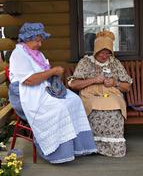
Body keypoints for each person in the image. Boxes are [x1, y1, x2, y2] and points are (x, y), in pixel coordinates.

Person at [9, 22, 97, 164]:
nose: (40, 44)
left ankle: (76, 147)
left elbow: (42, 75)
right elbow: (29, 80)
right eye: (37, 40)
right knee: (59, 108)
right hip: (26, 94)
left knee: (74, 100)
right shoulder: (18, 55)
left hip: (43, 88)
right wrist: (52, 71)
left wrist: (53, 75)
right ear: (27, 38)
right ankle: (58, 152)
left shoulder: (37, 54)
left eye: (41, 40)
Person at [68, 30, 132, 157]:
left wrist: (115, 83)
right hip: (90, 95)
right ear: (95, 51)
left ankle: (113, 148)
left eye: (108, 53)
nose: (104, 56)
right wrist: (94, 80)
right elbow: (73, 84)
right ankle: (92, 146)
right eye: (102, 52)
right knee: (94, 104)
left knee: (115, 104)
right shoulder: (85, 62)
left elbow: (127, 86)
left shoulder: (115, 63)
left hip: (112, 93)